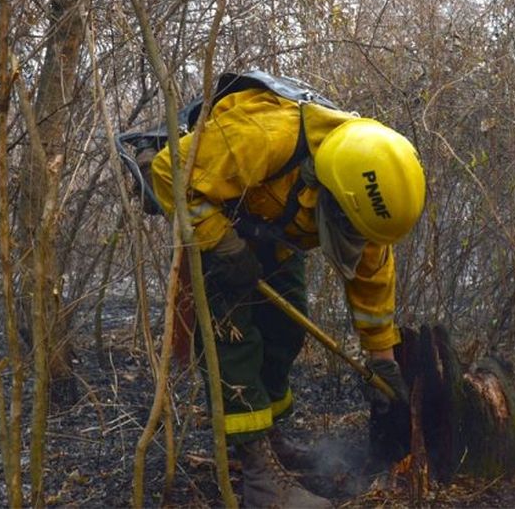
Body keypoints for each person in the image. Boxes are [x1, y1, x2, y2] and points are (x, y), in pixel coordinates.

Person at [137, 80, 426, 508]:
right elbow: (169, 172)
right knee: (235, 343)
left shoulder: (364, 195)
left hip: (273, 231)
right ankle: (260, 479)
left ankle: (270, 438)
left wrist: (382, 361)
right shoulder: (265, 135)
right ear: (331, 195)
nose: (359, 242)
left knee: (287, 330)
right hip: (221, 225)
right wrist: (223, 243)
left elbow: (371, 275)